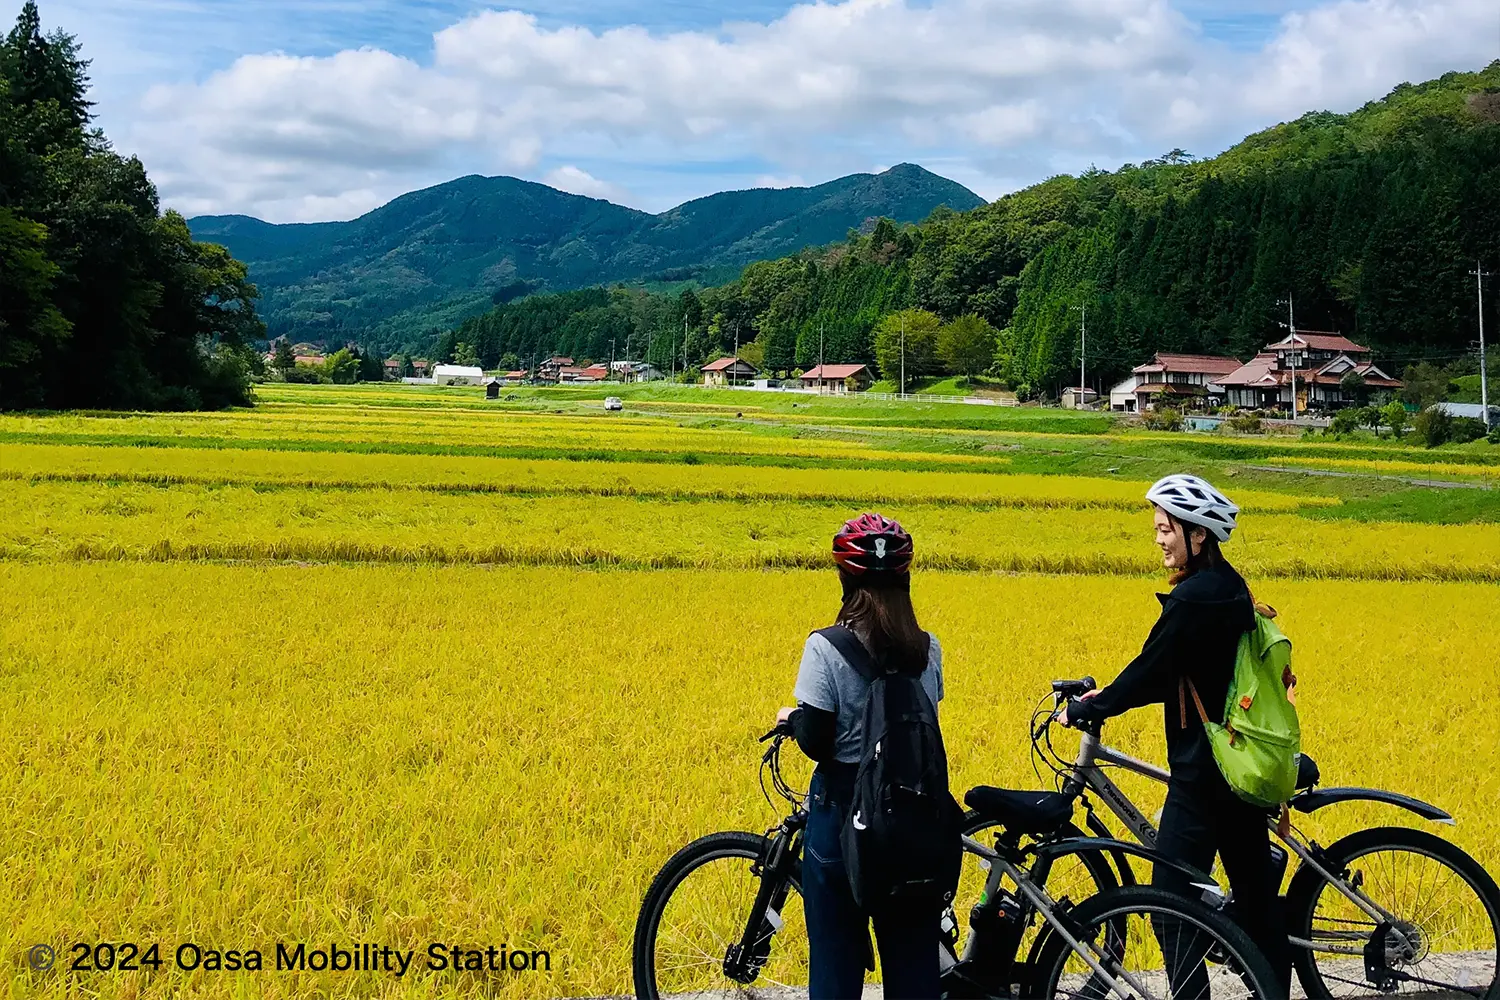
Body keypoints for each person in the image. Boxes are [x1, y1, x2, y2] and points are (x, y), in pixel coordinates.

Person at [1060, 473, 1292, 997]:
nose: (1160, 539)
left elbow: (1155, 667)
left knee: (1169, 905)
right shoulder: (1228, 586)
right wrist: (1110, 699)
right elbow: (1178, 671)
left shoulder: (1195, 598)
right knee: (1256, 903)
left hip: (1205, 774)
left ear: (1199, 534)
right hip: (1235, 763)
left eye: (1167, 528)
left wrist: (1093, 707)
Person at [775, 513, 945, 1000]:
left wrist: (792, 718)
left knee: (835, 965)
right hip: (913, 818)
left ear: (845, 578)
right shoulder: (928, 651)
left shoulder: (824, 649)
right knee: (914, 969)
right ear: (904, 577)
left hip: (842, 818)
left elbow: (819, 742)